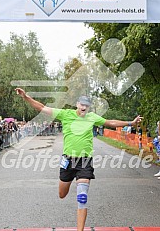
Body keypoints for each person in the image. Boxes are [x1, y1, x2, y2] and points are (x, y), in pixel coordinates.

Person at [15, 88, 143, 231]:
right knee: (62, 194)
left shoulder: (92, 117)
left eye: (86, 106)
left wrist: (131, 123)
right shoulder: (65, 114)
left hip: (84, 162)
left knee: (82, 198)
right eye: (82, 104)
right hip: (68, 161)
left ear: (88, 108)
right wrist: (25, 97)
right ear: (77, 104)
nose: (83, 107)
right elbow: (42, 108)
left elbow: (110, 122)